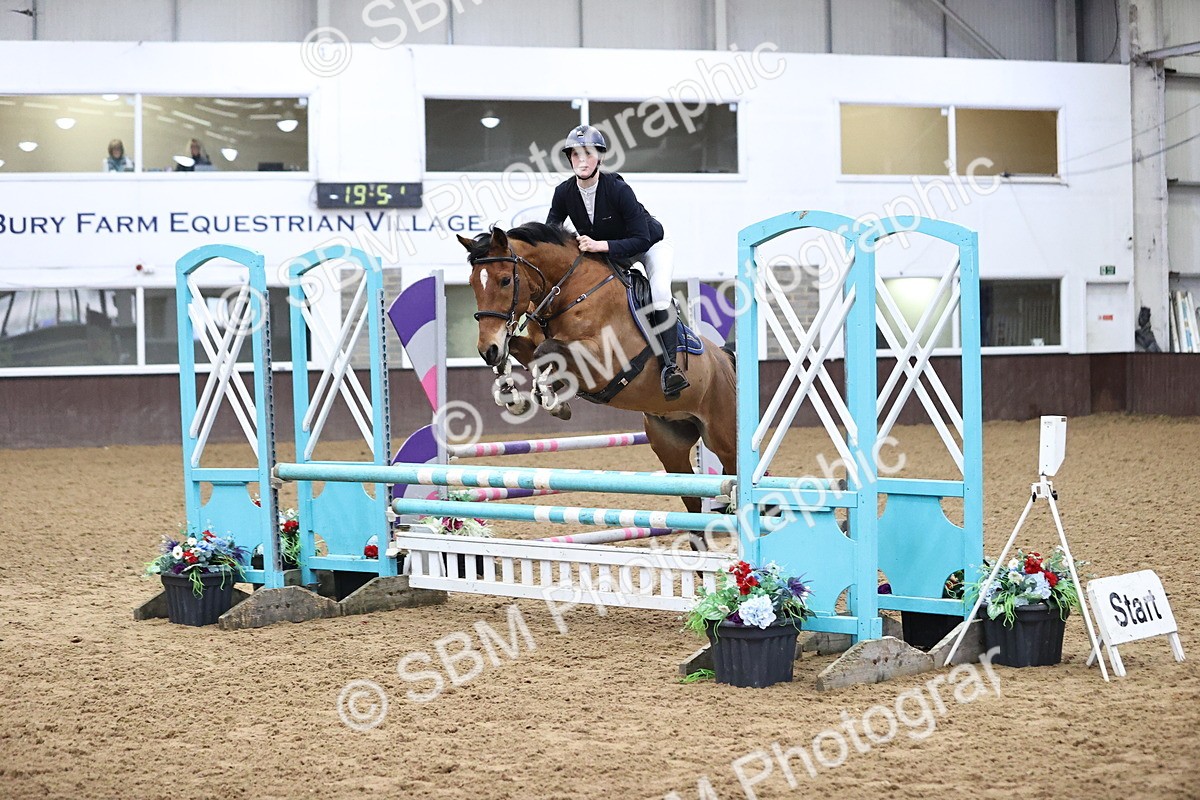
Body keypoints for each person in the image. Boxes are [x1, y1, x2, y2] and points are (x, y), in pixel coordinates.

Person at [546, 125, 689, 399]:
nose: (582, 161)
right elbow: (550, 235)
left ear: (599, 157)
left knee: (659, 292)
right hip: (611, 252)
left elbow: (641, 238)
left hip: (651, 244)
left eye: (588, 154)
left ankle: (671, 368)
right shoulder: (563, 192)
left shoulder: (618, 189)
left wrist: (599, 245)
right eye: (575, 155)